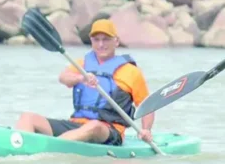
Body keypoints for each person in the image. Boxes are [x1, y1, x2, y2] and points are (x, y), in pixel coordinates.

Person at [14, 18, 155, 145]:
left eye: (106, 39)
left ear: (116, 41)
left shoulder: (131, 72)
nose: (101, 44)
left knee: (94, 125)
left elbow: (147, 106)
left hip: (108, 131)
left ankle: (51, 146)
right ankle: (21, 146)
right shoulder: (82, 64)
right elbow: (63, 78)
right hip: (76, 125)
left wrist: (146, 130)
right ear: (91, 41)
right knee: (28, 117)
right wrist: (81, 78)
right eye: (96, 39)